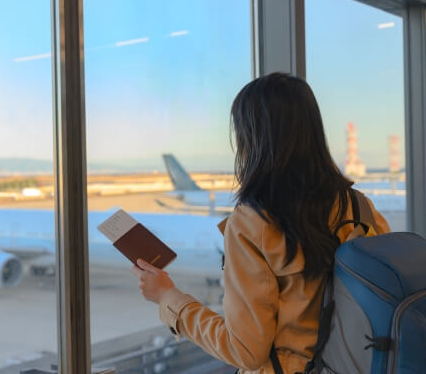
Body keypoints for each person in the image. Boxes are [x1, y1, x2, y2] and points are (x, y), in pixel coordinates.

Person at [131, 73, 390, 374]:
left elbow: (245, 350)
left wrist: (168, 297)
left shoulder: (252, 224)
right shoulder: (358, 206)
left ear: (252, 139)